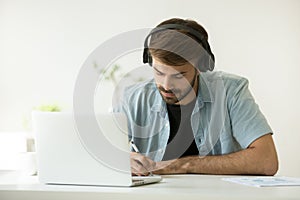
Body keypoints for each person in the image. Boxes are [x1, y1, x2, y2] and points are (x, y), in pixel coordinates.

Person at [115, 18, 278, 176]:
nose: (166, 85)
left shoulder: (231, 91)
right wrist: (121, 160)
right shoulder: (133, 98)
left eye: (179, 76)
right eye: (159, 72)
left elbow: (267, 161)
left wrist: (184, 165)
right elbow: (100, 157)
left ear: (201, 67)